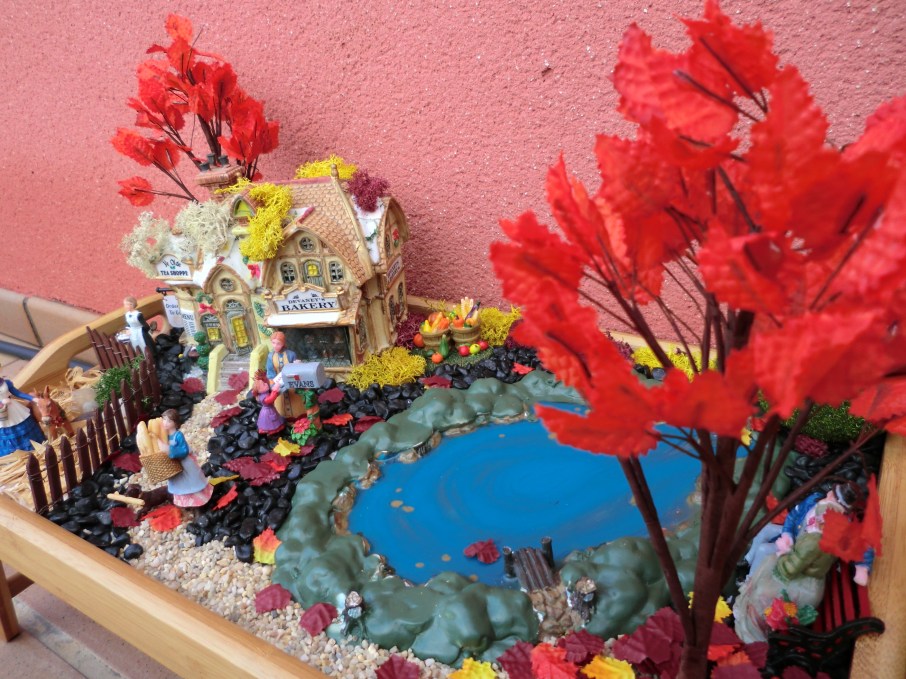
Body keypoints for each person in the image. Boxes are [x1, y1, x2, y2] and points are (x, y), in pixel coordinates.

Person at [733, 484, 869, 643]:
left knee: (764, 577)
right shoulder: (816, 502)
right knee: (766, 542)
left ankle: (752, 624)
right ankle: (748, 568)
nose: (830, 497)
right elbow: (794, 516)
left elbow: (791, 568)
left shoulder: (820, 538)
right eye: (833, 494)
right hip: (796, 547)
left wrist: (862, 566)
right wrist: (787, 535)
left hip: (802, 578)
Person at [160, 409, 213, 507]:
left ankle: (197, 502)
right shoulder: (165, 435)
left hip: (184, 464)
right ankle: (185, 503)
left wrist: (169, 450)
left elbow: (184, 450)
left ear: (175, 423)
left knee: (190, 482)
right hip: (173, 466)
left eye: (169, 421)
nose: (165, 423)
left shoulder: (178, 435)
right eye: (164, 419)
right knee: (178, 483)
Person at [0, 365, 46, 456]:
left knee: (25, 424)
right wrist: (1, 403)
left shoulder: (6, 383)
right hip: (2, 413)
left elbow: (18, 393)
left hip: (13, 409)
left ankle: (33, 447)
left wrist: (33, 399)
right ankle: (13, 454)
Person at [251, 370, 285, 436]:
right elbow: (270, 399)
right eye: (264, 385)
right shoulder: (263, 397)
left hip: (270, 409)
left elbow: (267, 383)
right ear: (259, 389)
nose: (266, 384)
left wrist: (264, 378)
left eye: (264, 383)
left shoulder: (264, 392)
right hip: (268, 411)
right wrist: (275, 389)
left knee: (275, 419)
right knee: (271, 422)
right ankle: (271, 432)